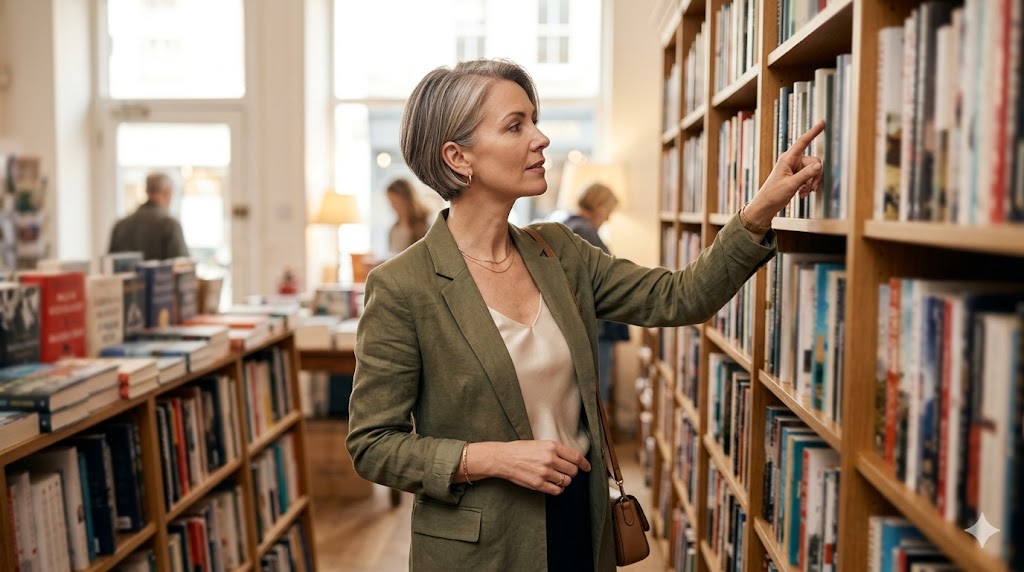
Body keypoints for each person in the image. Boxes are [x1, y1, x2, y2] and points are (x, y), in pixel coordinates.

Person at [346, 58, 825, 571]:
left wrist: (759, 210)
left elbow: (681, 297)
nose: (542, 138)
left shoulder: (559, 252)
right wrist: (489, 457)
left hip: (580, 516)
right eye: (516, 125)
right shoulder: (402, 286)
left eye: (534, 119)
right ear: (458, 157)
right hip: (482, 548)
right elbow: (373, 444)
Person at [562, 182, 630, 404]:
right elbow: (604, 278)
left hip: (581, 326)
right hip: (594, 329)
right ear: (599, 206)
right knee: (595, 397)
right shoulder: (584, 231)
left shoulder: (569, 226)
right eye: (608, 212)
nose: (608, 219)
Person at [108, 172, 189, 260]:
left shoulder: (120, 225)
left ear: (147, 190)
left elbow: (109, 265)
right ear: (167, 193)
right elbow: (182, 267)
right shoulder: (170, 225)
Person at [385, 178, 431, 257]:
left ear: (406, 200)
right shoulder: (394, 228)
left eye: (396, 202)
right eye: (391, 202)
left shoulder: (424, 225)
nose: (393, 206)